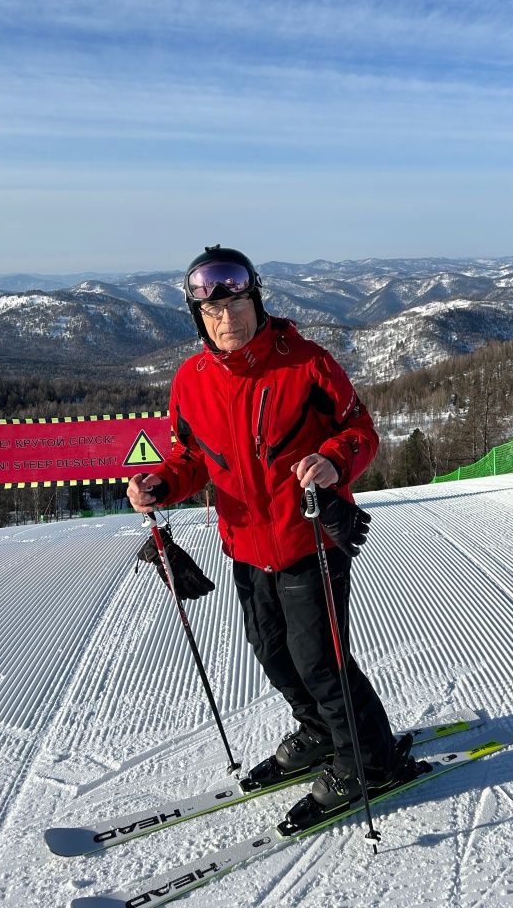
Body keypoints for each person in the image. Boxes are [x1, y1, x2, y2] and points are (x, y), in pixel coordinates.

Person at [127, 245, 406, 809]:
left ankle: (368, 762)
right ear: (198, 317)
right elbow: (191, 459)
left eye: (234, 304)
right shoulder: (190, 381)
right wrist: (160, 483)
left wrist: (333, 459)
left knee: (320, 660)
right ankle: (322, 733)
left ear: (255, 299)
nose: (224, 319)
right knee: (271, 652)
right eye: (211, 312)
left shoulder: (308, 364)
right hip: (246, 545)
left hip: (308, 539)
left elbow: (361, 432)